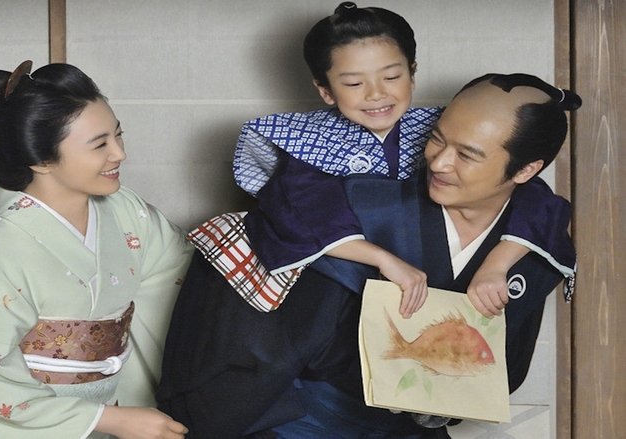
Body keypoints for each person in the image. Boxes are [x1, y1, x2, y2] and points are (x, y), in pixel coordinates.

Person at [156, 73, 581, 437]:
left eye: (467, 155)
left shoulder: (530, 246)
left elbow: (504, 365)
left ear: (526, 170)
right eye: (437, 139)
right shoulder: (357, 208)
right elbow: (264, 346)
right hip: (302, 421)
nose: (439, 163)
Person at [0, 61, 192, 438]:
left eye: (118, 136)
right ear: (40, 159)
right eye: (100, 144)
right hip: (30, 423)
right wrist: (109, 420)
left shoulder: (127, 213)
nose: (119, 153)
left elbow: (180, 282)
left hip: (114, 411)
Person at [232, 2, 574, 319]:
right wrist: (383, 259)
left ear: (412, 72)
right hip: (343, 294)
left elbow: (531, 197)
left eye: (392, 77)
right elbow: (304, 212)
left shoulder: (445, 126)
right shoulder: (306, 141)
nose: (376, 94)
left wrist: (498, 262)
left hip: (428, 286)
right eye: (354, 83)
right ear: (325, 90)